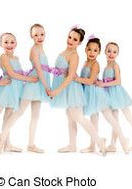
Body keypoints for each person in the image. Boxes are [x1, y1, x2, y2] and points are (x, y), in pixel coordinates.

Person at [47, 27, 106, 156]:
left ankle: (99, 141)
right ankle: (72, 145)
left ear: (79, 43)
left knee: (78, 116)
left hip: (71, 89)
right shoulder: (64, 52)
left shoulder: (74, 55)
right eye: (70, 37)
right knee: (70, 116)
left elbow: (70, 77)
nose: (71, 41)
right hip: (66, 88)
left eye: (75, 39)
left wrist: (56, 91)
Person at [0, 23, 51, 153]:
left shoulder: (41, 49)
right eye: (36, 34)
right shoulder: (34, 50)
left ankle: (31, 144)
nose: (39, 37)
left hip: (40, 83)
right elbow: (38, 69)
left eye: (42, 34)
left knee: (35, 116)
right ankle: (2, 137)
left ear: (45, 35)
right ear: (31, 36)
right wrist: (47, 87)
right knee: (19, 112)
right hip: (35, 83)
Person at [75, 38, 128, 154]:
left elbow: (89, 81)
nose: (91, 52)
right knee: (94, 120)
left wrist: (76, 78)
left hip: (97, 94)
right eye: (89, 49)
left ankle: (124, 141)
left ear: (99, 52)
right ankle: (92, 145)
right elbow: (84, 78)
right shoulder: (85, 63)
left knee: (111, 119)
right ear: (85, 50)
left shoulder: (96, 64)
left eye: (95, 50)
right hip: (89, 95)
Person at [97, 42, 132, 153]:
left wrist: (103, 84)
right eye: (109, 51)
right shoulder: (106, 66)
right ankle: (113, 145)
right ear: (105, 52)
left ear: (117, 54)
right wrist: (100, 82)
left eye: (114, 52)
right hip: (109, 95)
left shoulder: (115, 65)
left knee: (128, 116)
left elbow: (118, 81)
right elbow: (107, 80)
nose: (111, 54)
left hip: (118, 94)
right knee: (115, 120)